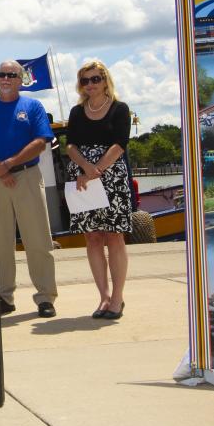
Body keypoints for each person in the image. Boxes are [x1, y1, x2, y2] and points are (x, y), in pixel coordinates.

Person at [0, 60, 57, 318]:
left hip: (27, 177)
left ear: (21, 80)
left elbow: (40, 142)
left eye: (12, 74)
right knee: (0, 242)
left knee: (38, 241)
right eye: (2, 74)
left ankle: (45, 297)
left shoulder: (33, 106)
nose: (6, 78)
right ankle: (3, 297)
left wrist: (9, 164)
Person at [64, 61, 131, 320]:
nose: (90, 85)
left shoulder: (120, 109)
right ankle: (103, 297)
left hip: (111, 175)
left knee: (114, 236)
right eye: (84, 81)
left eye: (94, 79)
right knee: (92, 237)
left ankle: (117, 298)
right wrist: (85, 168)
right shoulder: (77, 112)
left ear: (105, 80)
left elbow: (120, 144)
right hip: (82, 176)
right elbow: (70, 146)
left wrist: (96, 170)